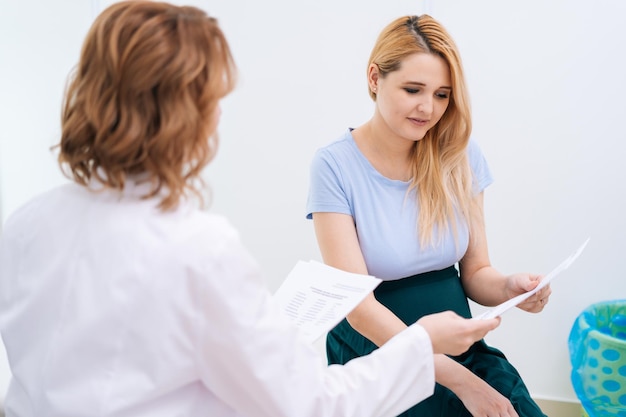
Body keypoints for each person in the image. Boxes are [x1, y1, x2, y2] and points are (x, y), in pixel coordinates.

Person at [0, 3, 501, 417]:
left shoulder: (26, 225)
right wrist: (422, 347)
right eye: (214, 98)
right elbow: (306, 404)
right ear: (188, 116)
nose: (219, 114)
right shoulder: (199, 249)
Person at [306, 14, 551, 417]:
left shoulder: (460, 155)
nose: (428, 108)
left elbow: (476, 273)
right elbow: (359, 309)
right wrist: (463, 383)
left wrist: (511, 287)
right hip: (379, 355)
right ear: (374, 78)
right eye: (413, 89)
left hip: (462, 350)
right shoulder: (334, 166)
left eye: (442, 94)